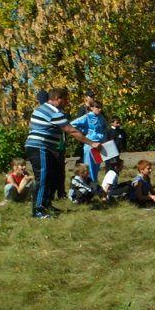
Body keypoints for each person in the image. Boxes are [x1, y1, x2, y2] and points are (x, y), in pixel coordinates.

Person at [25, 87, 102, 218]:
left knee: (51, 177)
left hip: (45, 148)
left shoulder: (42, 108)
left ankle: (46, 205)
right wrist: (92, 143)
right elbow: (71, 131)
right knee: (43, 179)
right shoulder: (54, 112)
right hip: (40, 147)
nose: (67, 103)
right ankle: (38, 210)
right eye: (65, 99)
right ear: (57, 98)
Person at [71, 100, 108, 188]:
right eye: (97, 107)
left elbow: (105, 128)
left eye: (101, 107)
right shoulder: (87, 117)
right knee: (89, 168)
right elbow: (72, 124)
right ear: (91, 108)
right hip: (90, 145)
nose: (100, 109)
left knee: (96, 168)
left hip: (99, 146)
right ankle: (88, 187)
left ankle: (94, 186)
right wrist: (83, 132)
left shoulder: (101, 118)